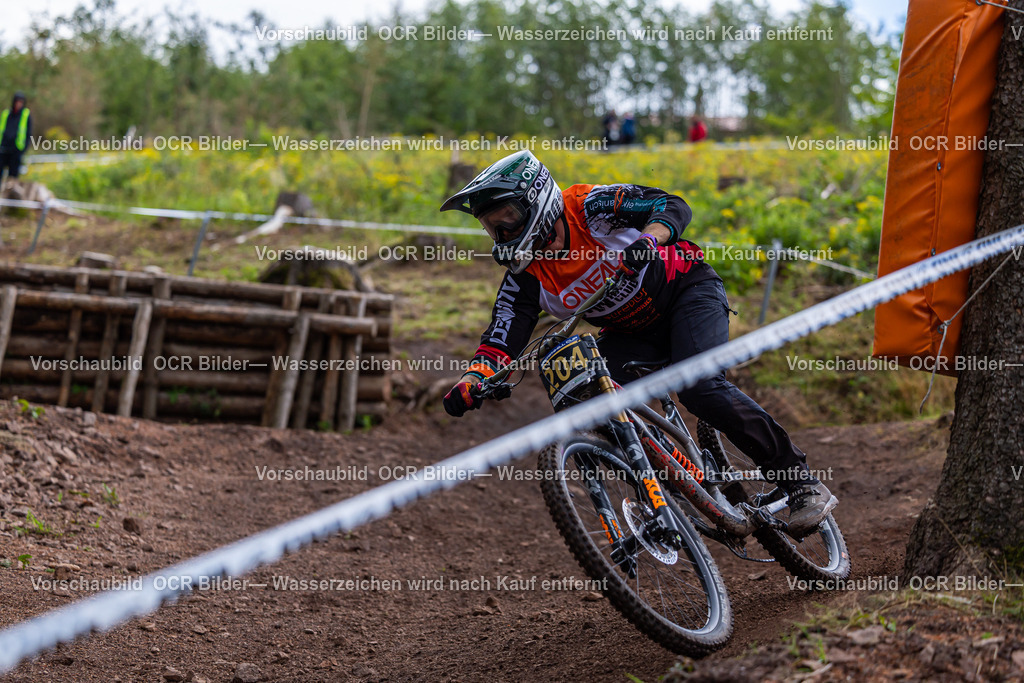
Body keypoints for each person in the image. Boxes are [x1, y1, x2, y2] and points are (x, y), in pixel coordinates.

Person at [438, 151, 836, 536]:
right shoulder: (525, 273)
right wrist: (475, 378)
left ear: (535, 200)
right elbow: (502, 336)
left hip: (687, 292)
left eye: (508, 219)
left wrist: (649, 239)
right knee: (587, 399)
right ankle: (679, 479)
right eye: (493, 227)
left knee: (699, 388)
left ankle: (800, 483)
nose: (503, 234)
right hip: (631, 333)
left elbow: (670, 205)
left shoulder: (592, 207)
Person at [0, 92, 31, 180]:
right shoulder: (6, 114)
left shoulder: (25, 114)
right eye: (17, 102)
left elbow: (28, 133)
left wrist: (23, 149)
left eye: (21, 102)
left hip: (16, 150)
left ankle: (11, 193)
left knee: (13, 177)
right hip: (3, 148)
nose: (18, 104)